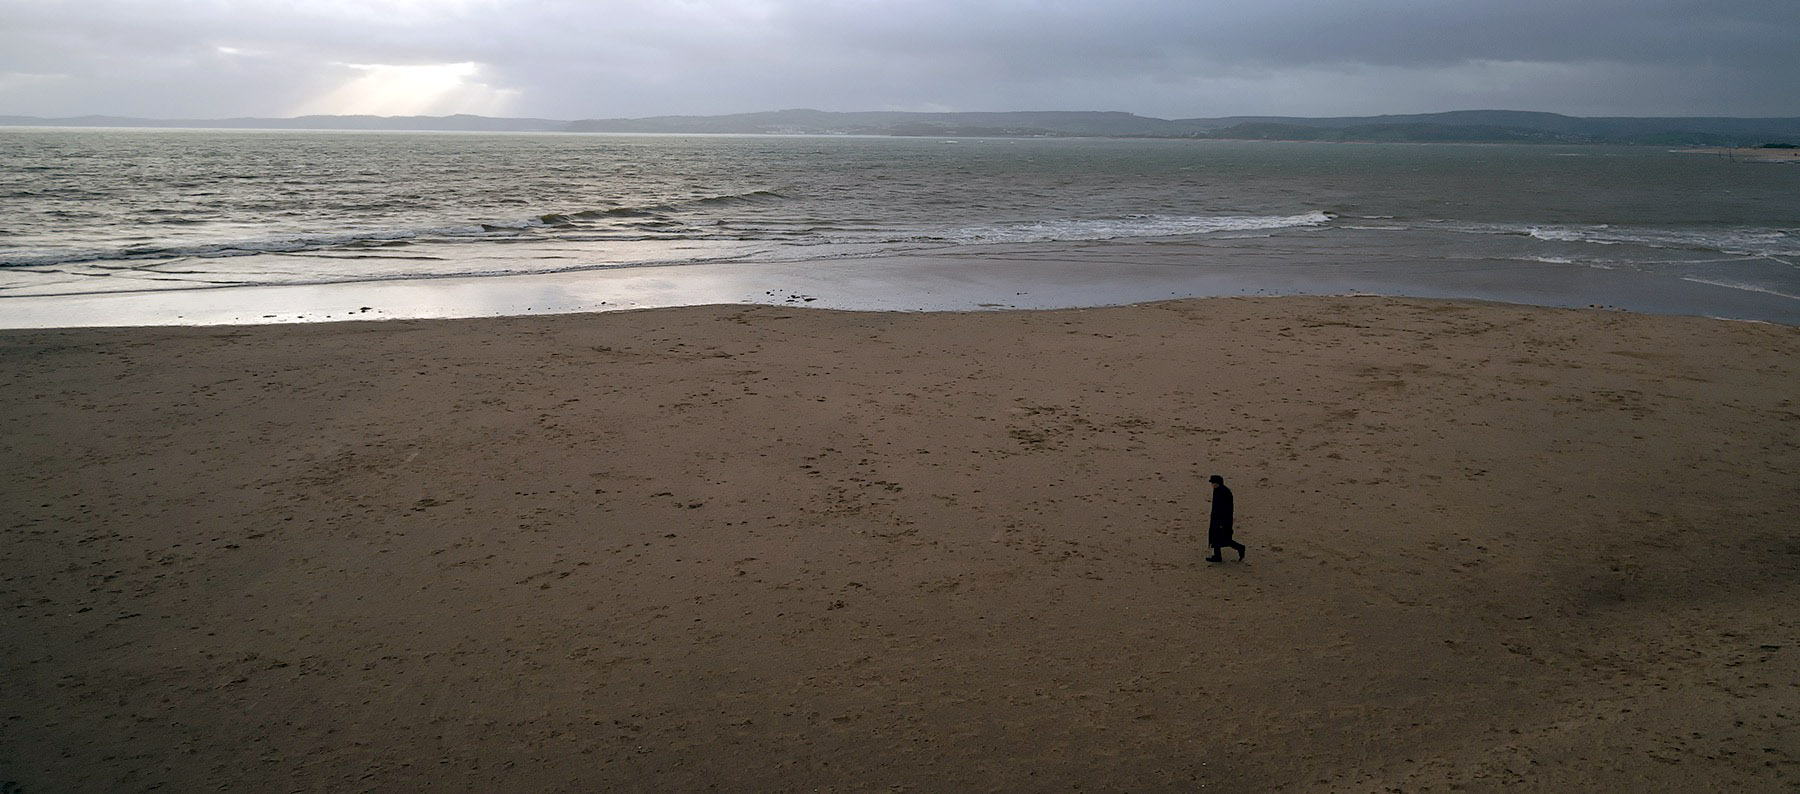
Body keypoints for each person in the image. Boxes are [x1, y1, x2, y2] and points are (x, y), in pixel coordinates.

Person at [1205, 474, 1245, 562]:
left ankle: (1240, 548)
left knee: (1224, 539)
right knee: (1216, 538)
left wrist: (1221, 523)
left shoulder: (1224, 493)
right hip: (1217, 519)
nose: (1212, 484)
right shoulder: (1218, 490)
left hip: (1222, 520)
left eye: (1213, 483)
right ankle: (1217, 556)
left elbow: (1225, 509)